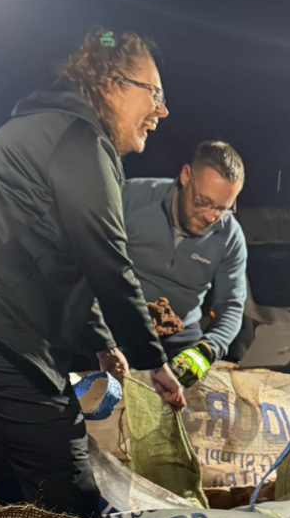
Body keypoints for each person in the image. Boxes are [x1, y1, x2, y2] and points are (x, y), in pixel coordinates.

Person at [0, 28, 187, 518]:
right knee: (59, 461)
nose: (163, 110)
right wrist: (153, 360)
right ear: (112, 85)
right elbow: (106, 260)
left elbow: (70, 258)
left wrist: (103, 343)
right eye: (154, 93)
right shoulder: (80, 140)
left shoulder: (48, 128)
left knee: (1, 463)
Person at [100, 141, 249, 366]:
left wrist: (207, 351)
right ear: (186, 176)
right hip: (115, 326)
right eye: (204, 201)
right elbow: (87, 263)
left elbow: (231, 305)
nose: (211, 217)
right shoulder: (128, 198)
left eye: (222, 208)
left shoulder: (230, 237)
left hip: (180, 340)